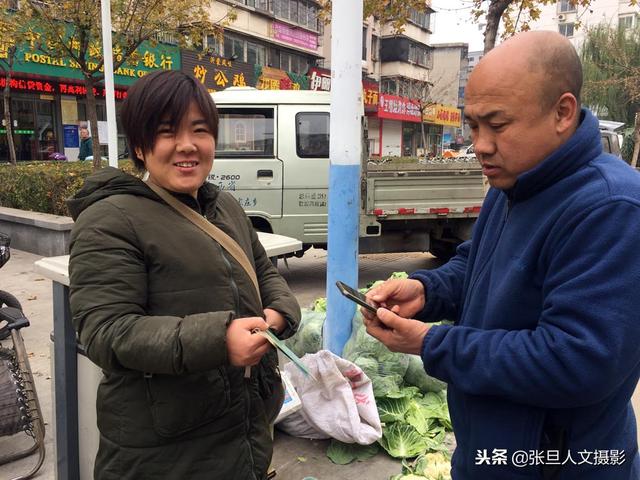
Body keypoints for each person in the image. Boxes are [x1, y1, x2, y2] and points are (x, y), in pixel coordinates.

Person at [362, 31, 640, 480]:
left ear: (562, 113)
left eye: (498, 124)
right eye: (473, 126)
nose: (481, 145)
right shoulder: (515, 183)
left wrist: (432, 343)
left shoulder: (612, 209)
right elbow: (477, 264)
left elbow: (578, 361)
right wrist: (425, 290)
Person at [67, 70, 301, 480]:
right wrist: (218, 340)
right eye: (166, 132)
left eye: (199, 130)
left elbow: (264, 271)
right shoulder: (109, 220)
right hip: (164, 450)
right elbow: (106, 331)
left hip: (241, 429)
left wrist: (277, 315)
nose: (187, 146)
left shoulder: (223, 205)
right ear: (140, 145)